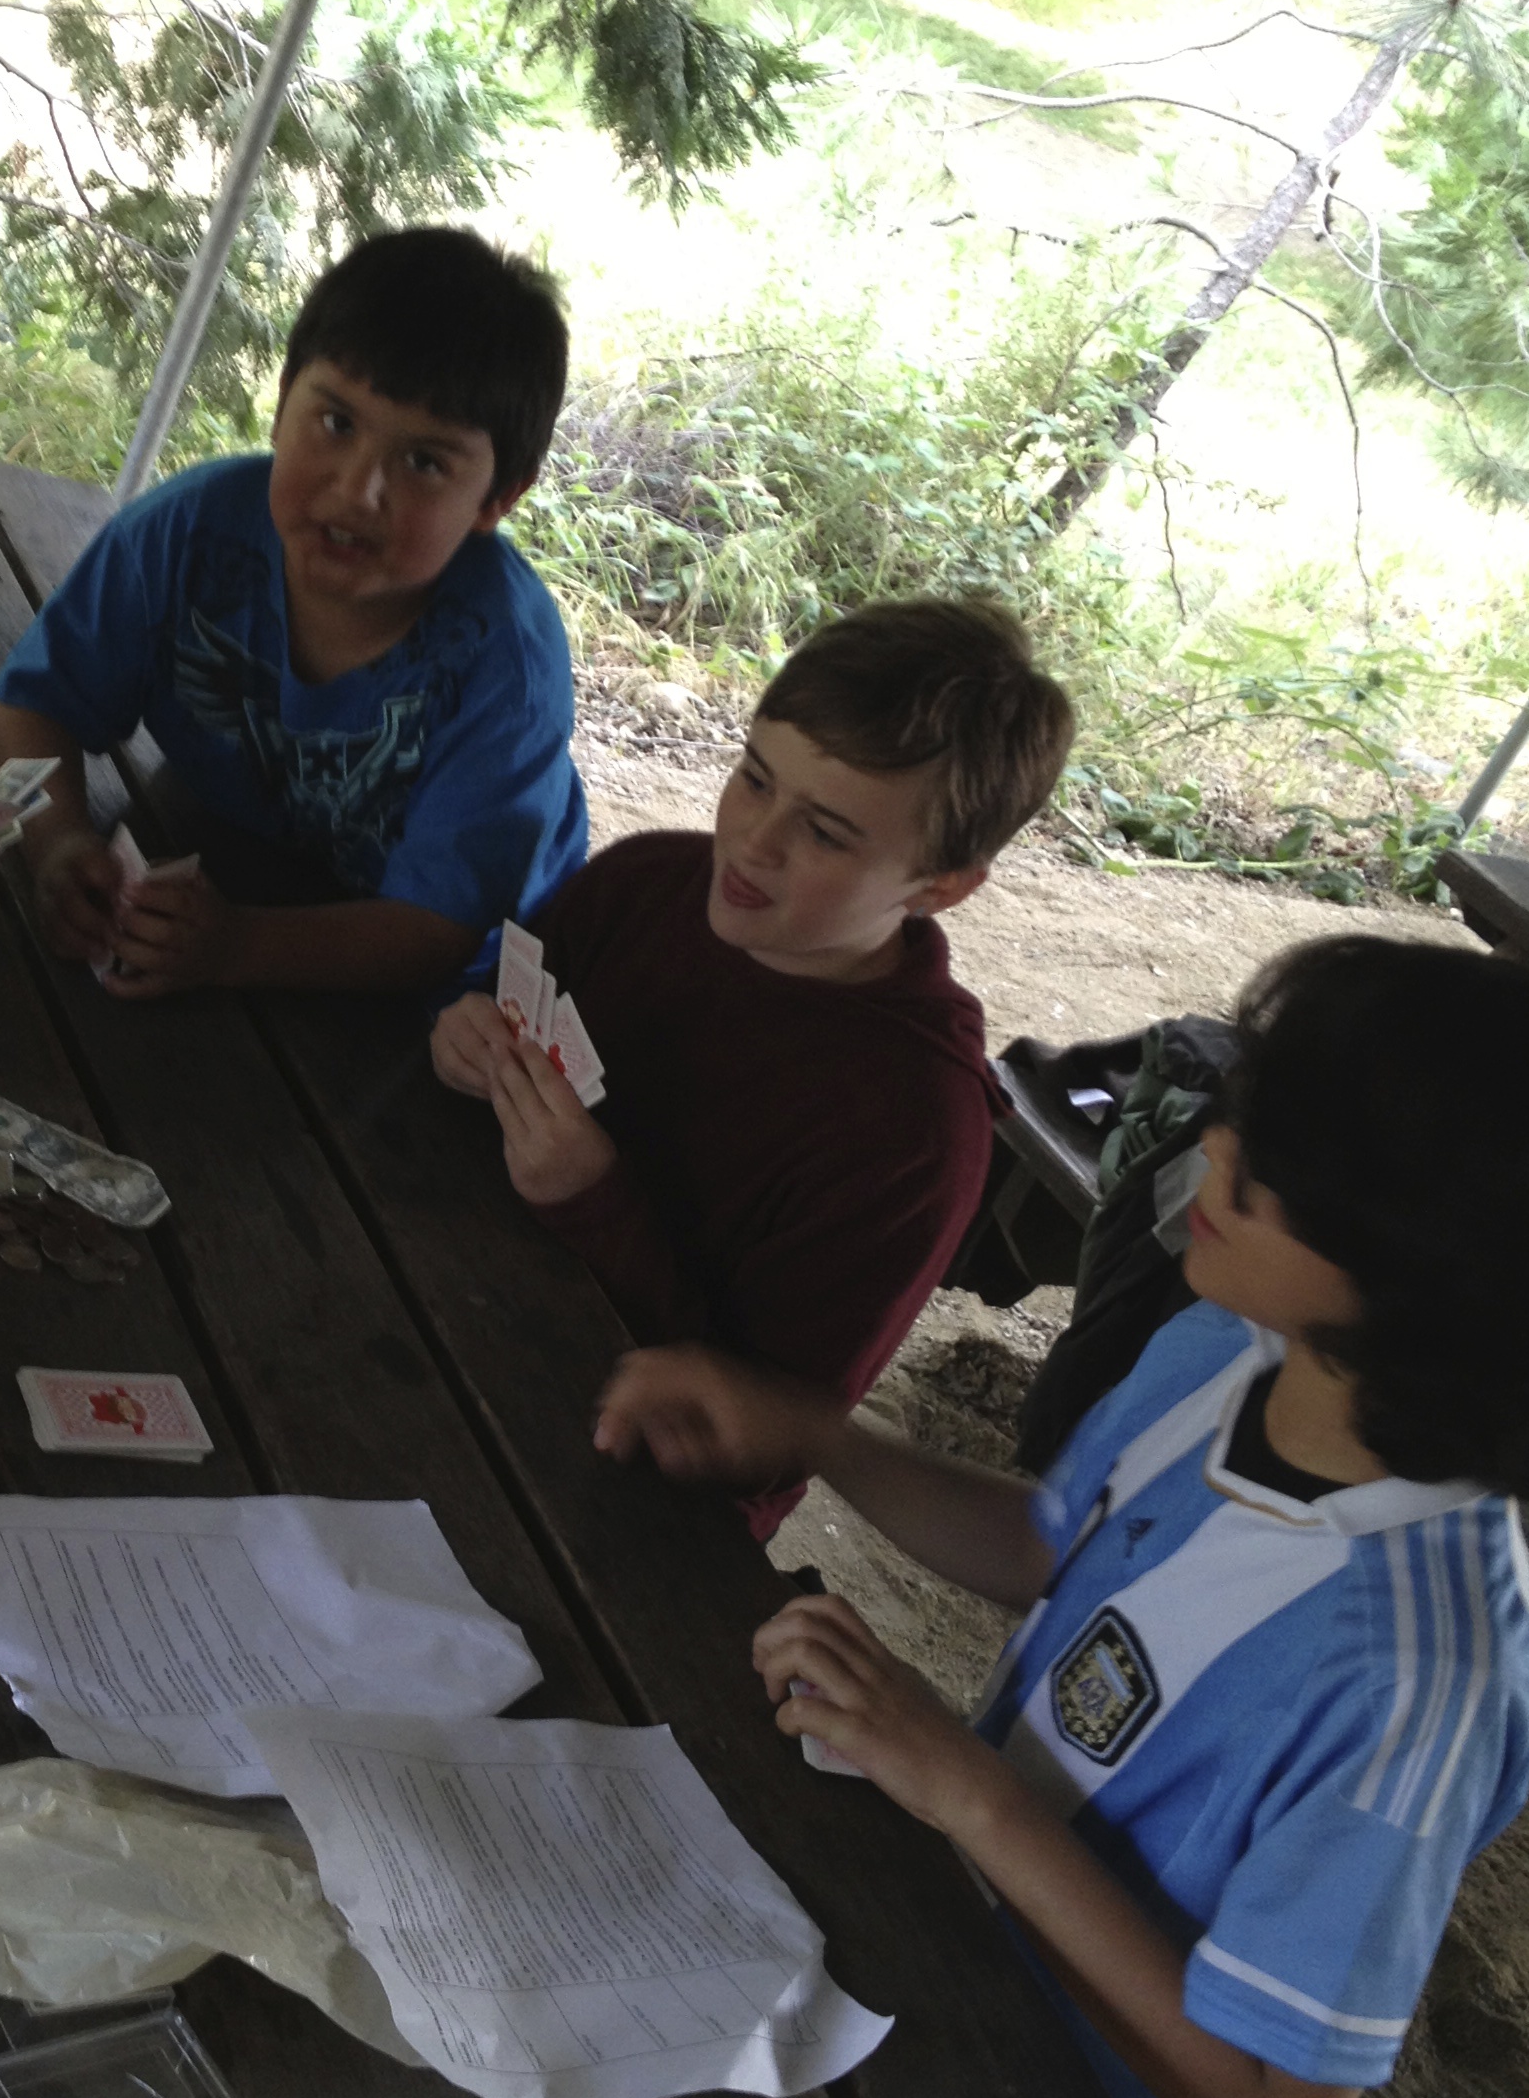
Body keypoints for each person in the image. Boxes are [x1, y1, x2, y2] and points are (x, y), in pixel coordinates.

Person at [598, 933, 1529, 2098]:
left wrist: (971, 1794)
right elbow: (1049, 1546)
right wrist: (814, 1430)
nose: (1207, 1155)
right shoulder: (1225, 1348)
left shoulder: (1418, 1681)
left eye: (1266, 1170)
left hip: (1074, 2095)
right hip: (956, 1901)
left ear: (1414, 1281)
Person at [430, 596, 1073, 1534]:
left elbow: (769, 1436)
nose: (753, 842)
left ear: (940, 887)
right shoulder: (645, 884)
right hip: (440, 1290)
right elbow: (491, 1039)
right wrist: (464, 1045)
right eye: (755, 778)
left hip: (618, 1489)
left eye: (826, 832)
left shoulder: (915, 1130)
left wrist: (591, 1198)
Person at [0, 227, 589, 996]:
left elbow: (437, 928)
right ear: (280, 404)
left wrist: (238, 950)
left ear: (497, 499)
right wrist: (61, 847)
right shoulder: (186, 534)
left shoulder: (507, 670)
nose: (358, 490)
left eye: (425, 462)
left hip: (458, 975)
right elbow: (27, 709)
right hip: (237, 844)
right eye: (337, 423)